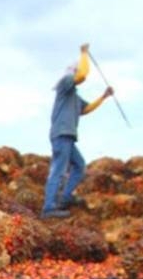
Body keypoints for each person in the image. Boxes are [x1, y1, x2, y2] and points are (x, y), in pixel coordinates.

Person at [41, 43, 114, 219]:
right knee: (58, 169)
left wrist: (103, 97)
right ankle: (49, 208)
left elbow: (86, 109)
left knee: (79, 166)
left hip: (68, 137)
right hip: (61, 135)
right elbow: (83, 74)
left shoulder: (73, 95)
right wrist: (84, 54)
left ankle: (64, 198)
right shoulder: (64, 84)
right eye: (76, 72)